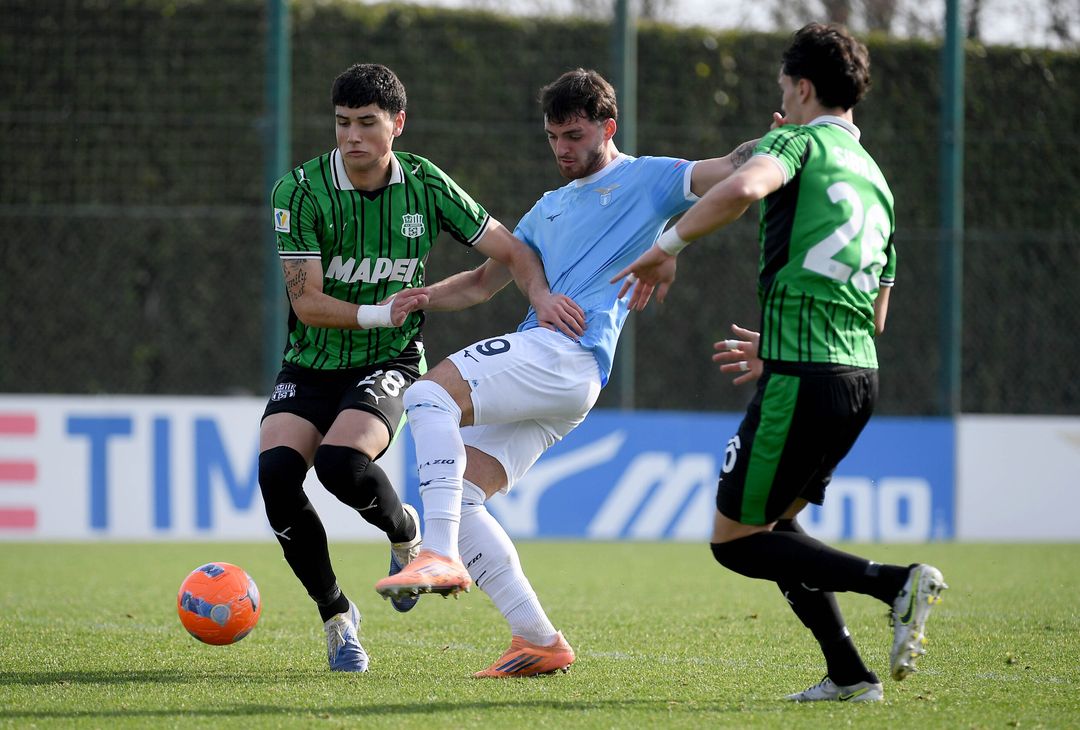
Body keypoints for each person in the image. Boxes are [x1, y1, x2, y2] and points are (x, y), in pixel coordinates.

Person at [375, 68, 762, 677]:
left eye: (574, 136)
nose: (562, 149)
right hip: (560, 378)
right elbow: (483, 281)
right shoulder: (548, 208)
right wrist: (425, 296)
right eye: (553, 137)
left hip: (565, 354)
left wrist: (783, 142)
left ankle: (437, 552)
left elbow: (731, 167)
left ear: (608, 127)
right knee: (466, 493)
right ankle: (537, 639)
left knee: (427, 395)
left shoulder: (648, 178)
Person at [613, 23, 947, 702]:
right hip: (858, 377)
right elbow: (876, 311)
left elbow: (742, 190)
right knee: (776, 525)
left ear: (800, 88)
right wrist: (780, 341)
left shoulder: (796, 141)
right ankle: (850, 675)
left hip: (806, 377)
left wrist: (668, 244)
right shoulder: (875, 178)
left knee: (734, 541)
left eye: (784, 93)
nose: (784, 105)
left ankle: (895, 583)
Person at [259, 63, 583, 673]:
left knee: (339, 464)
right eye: (342, 123)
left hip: (391, 359)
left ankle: (404, 530)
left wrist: (537, 295)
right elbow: (306, 302)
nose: (351, 136)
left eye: (366, 123)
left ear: (397, 124)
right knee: (277, 476)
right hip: (313, 357)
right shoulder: (298, 192)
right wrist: (385, 311)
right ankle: (337, 616)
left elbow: (510, 249)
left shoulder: (425, 184)